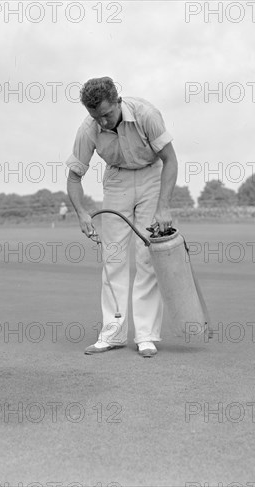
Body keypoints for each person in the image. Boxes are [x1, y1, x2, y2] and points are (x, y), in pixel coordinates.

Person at [65, 77, 178, 358]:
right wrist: (82, 214)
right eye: (96, 117)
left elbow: (170, 160)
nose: (102, 122)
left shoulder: (145, 114)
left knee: (147, 257)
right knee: (113, 257)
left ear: (118, 101)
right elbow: (74, 176)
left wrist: (164, 206)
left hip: (152, 175)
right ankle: (112, 334)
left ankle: (146, 336)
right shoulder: (88, 129)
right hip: (117, 181)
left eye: (107, 114)